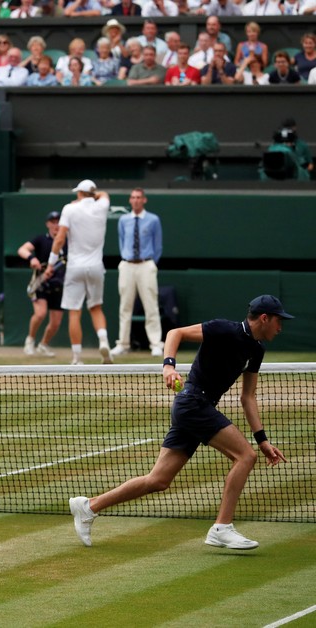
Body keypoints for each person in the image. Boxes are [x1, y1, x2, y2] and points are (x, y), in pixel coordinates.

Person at [70, 295, 291, 550]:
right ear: (264, 318)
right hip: (192, 402)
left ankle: (88, 507)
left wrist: (262, 439)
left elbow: (248, 397)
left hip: (198, 408)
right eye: (278, 320)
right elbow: (175, 333)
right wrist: (168, 366)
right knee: (245, 457)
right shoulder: (223, 329)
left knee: (158, 480)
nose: (280, 326)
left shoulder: (257, 350)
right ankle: (222, 527)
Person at [43, 180, 113, 365]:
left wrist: (50, 264)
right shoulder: (102, 205)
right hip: (96, 267)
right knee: (96, 308)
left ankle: (77, 357)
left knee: (75, 312)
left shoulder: (70, 209)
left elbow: (59, 240)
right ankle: (104, 342)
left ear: (80, 193)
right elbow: (104, 194)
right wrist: (93, 196)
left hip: (75, 267)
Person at [111, 188, 164, 357]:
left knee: (151, 305)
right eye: (133, 197)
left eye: (138, 197)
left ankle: (156, 344)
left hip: (146, 265)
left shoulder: (153, 220)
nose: (135, 200)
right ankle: (123, 344)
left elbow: (158, 245)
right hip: (126, 265)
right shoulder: (123, 220)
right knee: (125, 306)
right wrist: (126, 259)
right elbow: (121, 241)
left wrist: (150, 264)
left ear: (144, 200)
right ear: (130, 200)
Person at [18, 211, 65, 357]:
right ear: (48, 224)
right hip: (41, 283)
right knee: (40, 314)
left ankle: (43, 345)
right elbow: (22, 249)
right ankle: (30, 341)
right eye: (53, 222)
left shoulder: (67, 241)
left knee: (56, 322)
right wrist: (32, 258)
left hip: (58, 284)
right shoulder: (40, 240)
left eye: (58, 221)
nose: (56, 225)